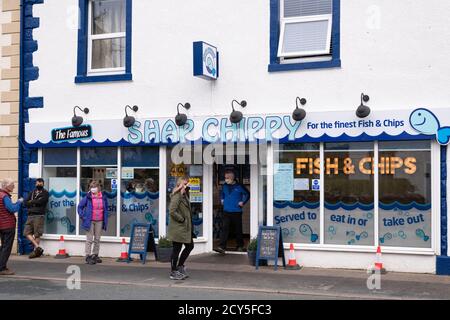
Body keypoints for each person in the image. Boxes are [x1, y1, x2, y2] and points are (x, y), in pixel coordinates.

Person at [215, 169, 250, 254]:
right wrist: (222, 199)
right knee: (224, 228)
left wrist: (243, 202)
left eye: (227, 178)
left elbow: (247, 194)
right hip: (226, 210)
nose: (225, 179)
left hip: (236, 211)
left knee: (238, 229)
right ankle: (222, 247)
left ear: (232, 178)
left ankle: (240, 246)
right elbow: (222, 193)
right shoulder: (224, 186)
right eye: (225, 178)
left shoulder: (239, 186)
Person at [167, 176, 194, 280]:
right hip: (178, 228)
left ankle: (179, 266)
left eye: (188, 184)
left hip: (185, 228)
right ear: (181, 184)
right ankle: (173, 272)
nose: (188, 186)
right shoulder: (176, 196)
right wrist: (182, 219)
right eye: (186, 184)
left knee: (190, 246)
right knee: (176, 249)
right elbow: (172, 211)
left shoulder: (184, 196)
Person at [77, 180, 108, 265]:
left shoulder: (103, 197)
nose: (93, 189)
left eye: (94, 187)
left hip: (100, 220)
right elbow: (80, 207)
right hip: (90, 221)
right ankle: (88, 256)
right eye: (91, 187)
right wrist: (83, 216)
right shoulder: (88, 197)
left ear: (98, 188)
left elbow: (105, 209)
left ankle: (95, 255)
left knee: (97, 239)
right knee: (89, 239)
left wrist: (105, 218)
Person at [0, 179, 23, 275]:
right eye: (12, 185)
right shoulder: (4, 196)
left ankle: (1, 265)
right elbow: (12, 209)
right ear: (6, 186)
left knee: (3, 246)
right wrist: (19, 202)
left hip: (1, 225)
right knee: (7, 247)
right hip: (8, 225)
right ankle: (2, 268)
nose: (14, 187)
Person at [24, 178, 49, 259]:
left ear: (43, 184)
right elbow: (25, 202)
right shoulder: (32, 192)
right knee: (27, 233)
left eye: (40, 183)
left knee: (37, 234)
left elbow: (41, 202)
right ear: (35, 184)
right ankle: (38, 247)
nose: (39, 184)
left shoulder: (45, 193)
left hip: (39, 215)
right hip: (30, 215)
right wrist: (34, 201)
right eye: (37, 183)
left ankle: (36, 252)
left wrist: (32, 202)